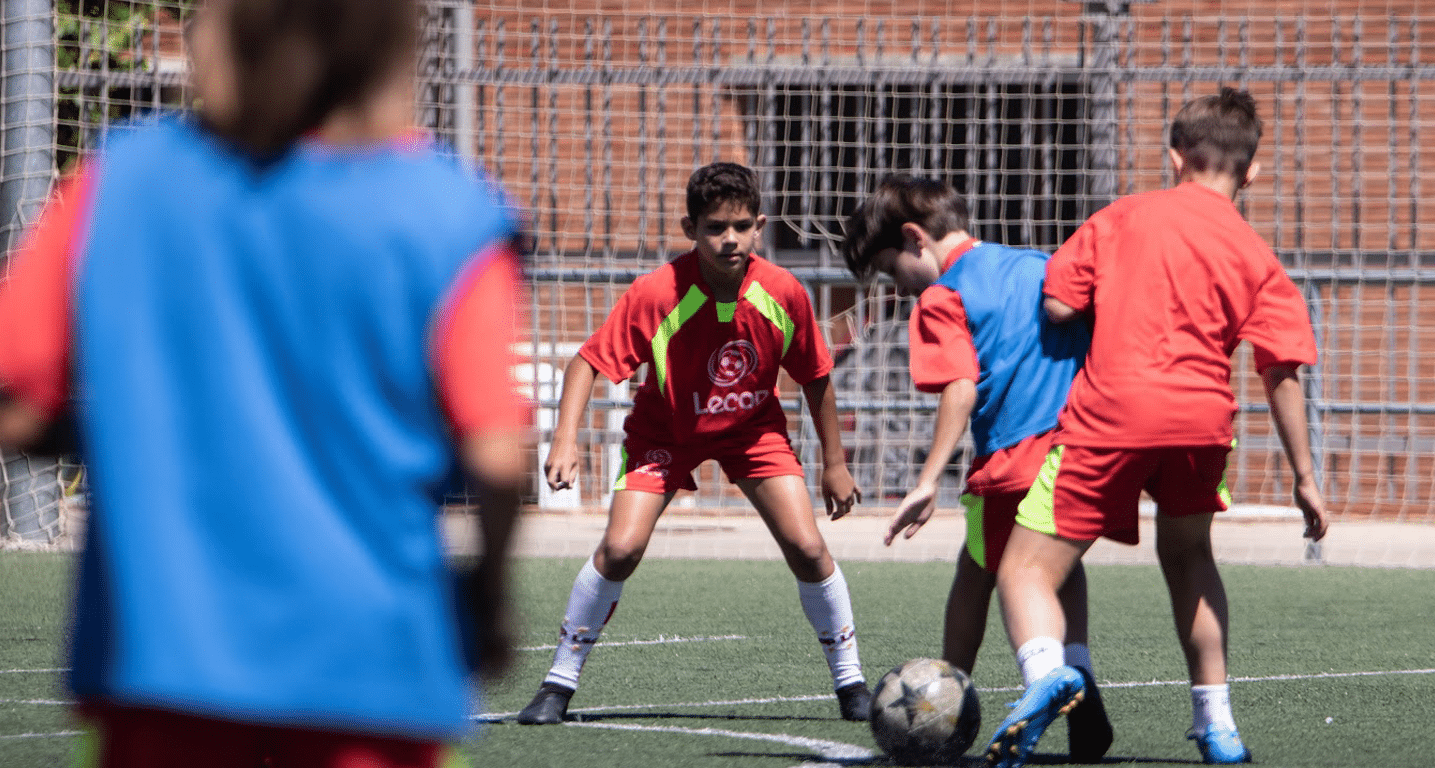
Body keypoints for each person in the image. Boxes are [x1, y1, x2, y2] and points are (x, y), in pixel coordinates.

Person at [0, 0, 527, 765]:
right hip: (371, 667)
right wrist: (490, 594)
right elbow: (497, 451)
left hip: (161, 660)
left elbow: (14, 400)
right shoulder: (445, 207)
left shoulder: (122, 178)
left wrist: (132, 429)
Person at [983, 87, 1330, 768]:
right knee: (1191, 559)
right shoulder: (1255, 254)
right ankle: (1217, 726)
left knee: (1024, 568)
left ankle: (1048, 672)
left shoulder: (1121, 218)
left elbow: (1056, 303)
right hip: (1202, 422)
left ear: (1175, 157)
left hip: (1111, 414)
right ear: (1252, 171)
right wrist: (1306, 478)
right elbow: (1281, 369)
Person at [516, 162, 871, 725]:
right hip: (665, 433)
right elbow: (585, 363)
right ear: (690, 228)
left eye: (739, 226)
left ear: (759, 225)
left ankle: (852, 684)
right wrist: (564, 440)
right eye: (713, 227)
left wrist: (835, 463)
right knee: (620, 550)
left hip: (754, 433)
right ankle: (558, 684)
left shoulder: (785, 293)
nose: (728, 239)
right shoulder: (656, 293)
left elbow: (816, 376)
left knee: (807, 548)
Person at [839, 175, 1112, 762]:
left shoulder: (944, 297)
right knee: (1053, 567)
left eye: (892, 272)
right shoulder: (1042, 264)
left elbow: (960, 387)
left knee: (977, 571)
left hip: (1014, 460)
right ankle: (1080, 675)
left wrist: (927, 477)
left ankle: (948, 696)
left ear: (915, 240)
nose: (900, 288)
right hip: (1081, 450)